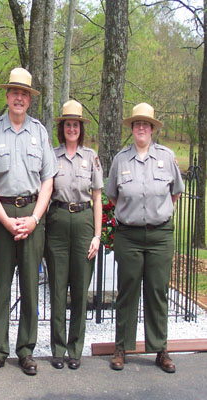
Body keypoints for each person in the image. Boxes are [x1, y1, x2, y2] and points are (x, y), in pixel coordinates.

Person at [0, 67, 57, 377]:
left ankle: (26, 350)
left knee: (29, 285)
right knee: (1, 287)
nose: (19, 97)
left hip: (31, 214)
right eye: (14, 92)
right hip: (1, 217)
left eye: (24, 93)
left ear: (29, 99)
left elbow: (48, 181)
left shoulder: (39, 132)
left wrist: (34, 218)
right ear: (7, 95)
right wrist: (4, 219)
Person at [105, 102, 184, 373]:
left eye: (146, 124)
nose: (141, 127)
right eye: (137, 123)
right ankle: (121, 348)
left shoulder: (167, 157)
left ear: (152, 129)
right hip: (129, 235)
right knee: (126, 292)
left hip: (160, 235)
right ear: (132, 128)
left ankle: (160, 349)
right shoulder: (120, 159)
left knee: (158, 291)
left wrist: (156, 212)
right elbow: (113, 195)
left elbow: (175, 193)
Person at [44, 100, 103, 370]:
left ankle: (75, 349)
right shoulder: (51, 156)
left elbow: (98, 198)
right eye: (67, 124)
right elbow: (44, 192)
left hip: (82, 223)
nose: (71, 128)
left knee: (80, 290)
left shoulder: (91, 157)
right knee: (57, 289)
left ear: (81, 128)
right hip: (56, 223)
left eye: (75, 124)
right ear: (62, 128)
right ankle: (58, 349)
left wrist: (97, 236)